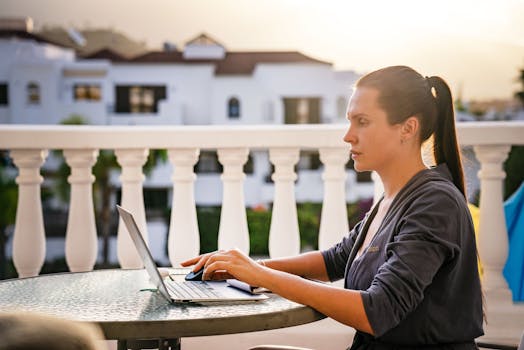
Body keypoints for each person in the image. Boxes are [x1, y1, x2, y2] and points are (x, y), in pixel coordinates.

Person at [182, 65, 484, 349]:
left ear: (408, 128)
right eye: (350, 120)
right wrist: (244, 269)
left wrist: (262, 277)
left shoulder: (434, 203)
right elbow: (335, 261)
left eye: (362, 122)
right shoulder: (391, 200)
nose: (347, 135)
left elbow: (378, 311)